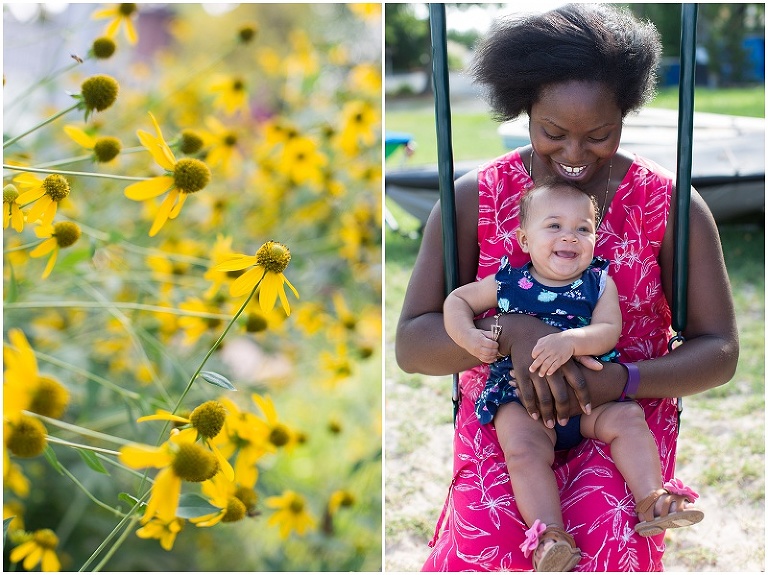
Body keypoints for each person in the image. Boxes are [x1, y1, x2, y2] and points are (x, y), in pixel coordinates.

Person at [394, 3, 738, 571]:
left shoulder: (670, 207)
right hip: (506, 417)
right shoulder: (471, 198)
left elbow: (719, 350)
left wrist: (621, 382)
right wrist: (513, 334)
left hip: (622, 415)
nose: (574, 156)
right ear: (522, 109)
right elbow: (413, 345)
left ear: (626, 113)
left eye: (600, 135)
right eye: (552, 133)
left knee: (606, 536)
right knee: (494, 548)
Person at [443, 180, 704, 572]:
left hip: (589, 396)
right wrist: (469, 337)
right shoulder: (509, 283)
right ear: (524, 240)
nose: (570, 236)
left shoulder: (598, 283)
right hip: (523, 398)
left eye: (583, 229)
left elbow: (608, 331)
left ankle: (654, 499)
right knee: (522, 450)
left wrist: (571, 342)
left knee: (629, 419)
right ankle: (549, 537)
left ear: (595, 239)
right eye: (554, 226)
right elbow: (457, 300)